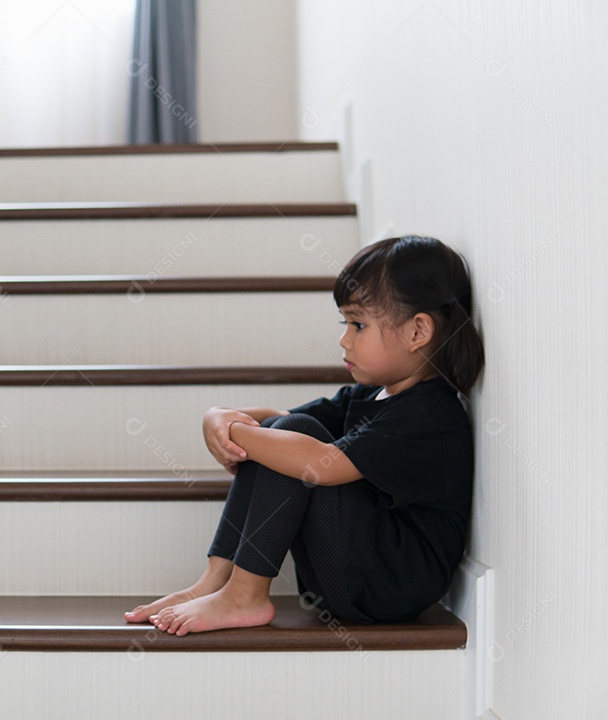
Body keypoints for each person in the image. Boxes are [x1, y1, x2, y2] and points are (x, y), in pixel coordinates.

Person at [125, 235, 486, 635]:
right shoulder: (370, 395)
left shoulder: (430, 414)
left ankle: (245, 594)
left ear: (418, 331)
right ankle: (215, 582)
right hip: (348, 577)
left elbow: (320, 465)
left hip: (389, 587)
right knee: (284, 436)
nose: (344, 339)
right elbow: (278, 420)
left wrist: (242, 432)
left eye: (358, 324)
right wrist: (220, 419)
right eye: (345, 323)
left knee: (293, 442)